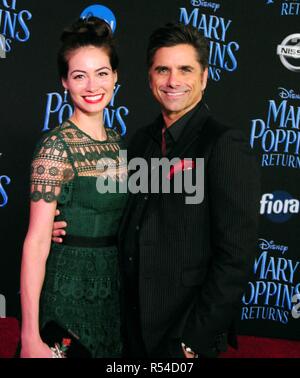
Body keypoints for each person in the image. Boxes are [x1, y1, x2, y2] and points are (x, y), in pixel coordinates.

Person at [53, 22, 260, 358]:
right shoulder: (141, 141)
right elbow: (121, 214)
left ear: (204, 78)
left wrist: (194, 339)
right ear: (150, 77)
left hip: (184, 335)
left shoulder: (224, 145)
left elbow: (235, 257)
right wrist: (65, 224)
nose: (173, 81)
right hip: (131, 329)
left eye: (185, 70)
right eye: (162, 69)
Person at [20, 17, 127, 358]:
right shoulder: (55, 148)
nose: (92, 85)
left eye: (102, 73)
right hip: (67, 295)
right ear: (65, 82)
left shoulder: (120, 145)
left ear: (115, 77)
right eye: (79, 75)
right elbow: (36, 241)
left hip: (112, 298)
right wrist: (29, 337)